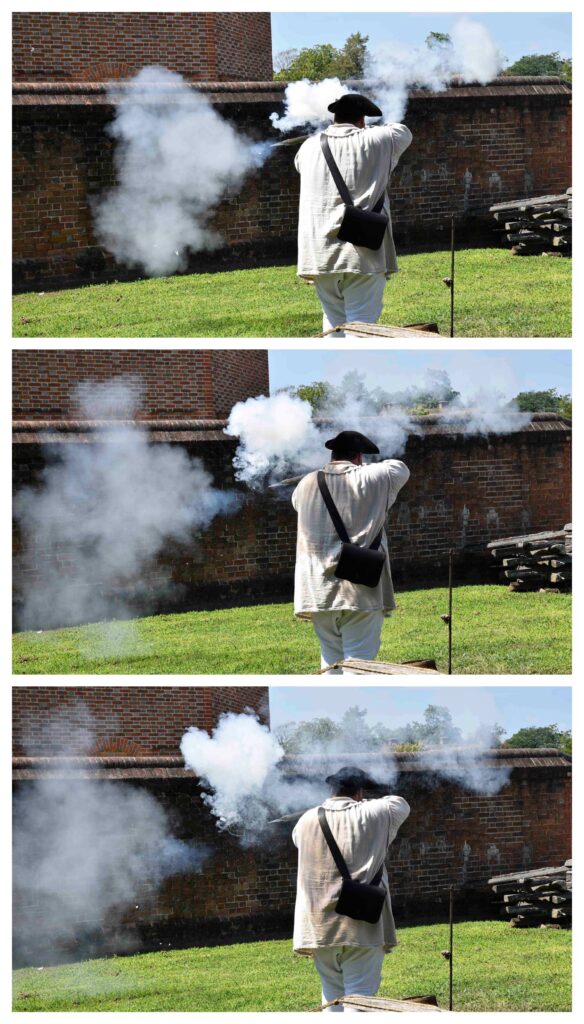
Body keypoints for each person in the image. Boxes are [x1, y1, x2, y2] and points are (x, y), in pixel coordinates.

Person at [292, 766, 410, 1012]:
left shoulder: (306, 820)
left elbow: (296, 840)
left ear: (331, 789)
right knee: (360, 998)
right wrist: (362, 801)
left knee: (331, 996)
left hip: (319, 925)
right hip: (361, 927)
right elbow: (400, 804)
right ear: (358, 792)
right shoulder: (376, 811)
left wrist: (350, 803)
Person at [291, 430, 410, 673]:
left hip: (318, 588)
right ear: (358, 457)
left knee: (330, 662)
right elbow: (400, 468)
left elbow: (297, 505)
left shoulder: (306, 483)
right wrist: (362, 469)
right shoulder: (375, 476)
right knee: (360, 664)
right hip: (360, 588)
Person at [294, 93, 412, 336]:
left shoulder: (308, 146)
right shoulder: (379, 138)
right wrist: (369, 129)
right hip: (361, 253)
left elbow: (299, 165)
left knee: (333, 323)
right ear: (362, 120)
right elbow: (403, 132)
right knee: (361, 328)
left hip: (320, 253)